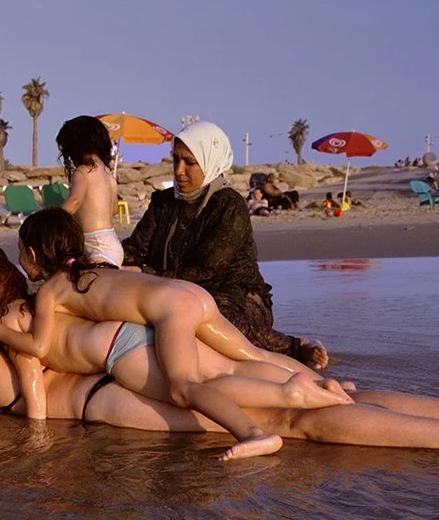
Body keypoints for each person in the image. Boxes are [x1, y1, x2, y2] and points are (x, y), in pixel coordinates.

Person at [0, 246, 439, 451]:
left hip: (109, 394)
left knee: (295, 421)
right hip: (138, 351)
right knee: (304, 395)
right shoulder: (18, 311)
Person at [0, 210, 345, 460]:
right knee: (254, 355)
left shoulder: (52, 290)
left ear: (31, 254)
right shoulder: (96, 268)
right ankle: (327, 386)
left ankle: (254, 433)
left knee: (183, 387)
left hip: (172, 311)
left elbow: (39, 345)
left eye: (20, 254)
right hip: (189, 294)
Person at [121, 121, 328, 369]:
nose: (179, 170)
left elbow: (209, 273)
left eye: (189, 163)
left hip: (235, 296)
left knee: (209, 317)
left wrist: (145, 274)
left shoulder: (228, 205)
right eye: (175, 160)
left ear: (210, 162)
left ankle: (294, 347)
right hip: (173, 290)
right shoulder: (163, 203)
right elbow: (135, 248)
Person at [55, 115, 124, 266]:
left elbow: (74, 201)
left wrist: (54, 219)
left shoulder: (82, 171)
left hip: (97, 246)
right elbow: (113, 210)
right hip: (112, 244)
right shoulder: (108, 175)